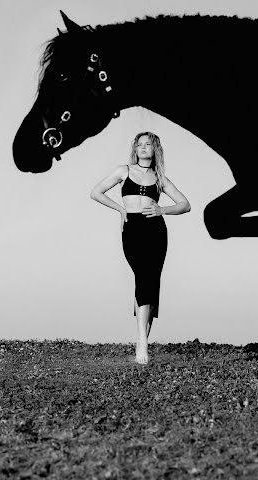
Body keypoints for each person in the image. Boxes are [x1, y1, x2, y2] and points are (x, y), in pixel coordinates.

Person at [90, 132, 191, 364]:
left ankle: (141, 342)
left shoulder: (160, 178)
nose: (143, 148)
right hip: (132, 229)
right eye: (139, 144)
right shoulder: (123, 171)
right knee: (143, 278)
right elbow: (95, 192)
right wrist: (121, 209)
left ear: (155, 149)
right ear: (135, 149)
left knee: (150, 282)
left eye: (148, 144)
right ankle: (142, 342)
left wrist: (162, 210)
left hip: (156, 230)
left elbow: (186, 205)